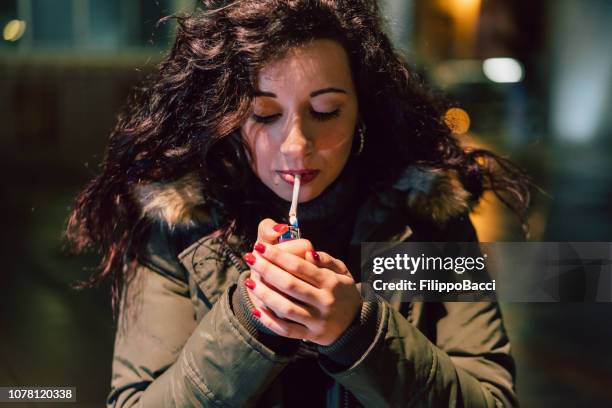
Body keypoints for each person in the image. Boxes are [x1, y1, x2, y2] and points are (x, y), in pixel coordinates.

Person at [67, 1, 530, 406]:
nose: (296, 145)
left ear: (362, 111)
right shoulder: (179, 221)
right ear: (228, 116)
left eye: (326, 111)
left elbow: (489, 398)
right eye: (264, 115)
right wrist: (252, 321)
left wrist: (356, 330)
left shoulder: (428, 218)